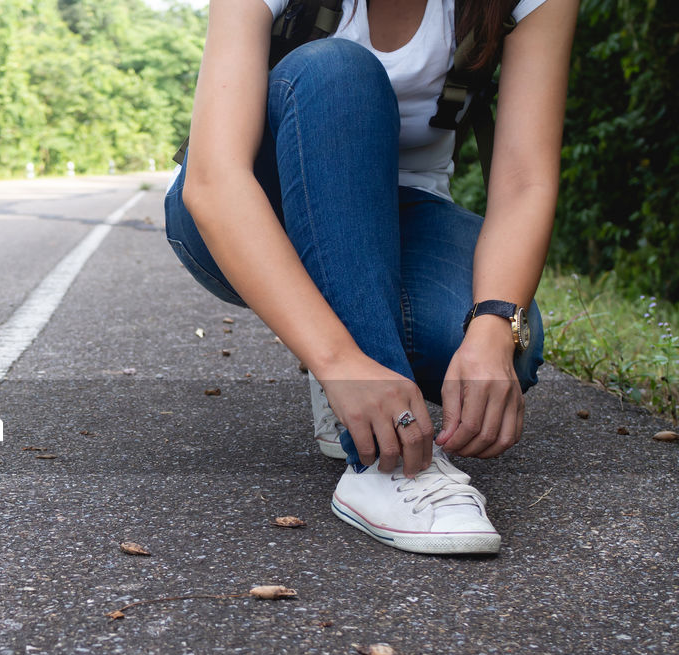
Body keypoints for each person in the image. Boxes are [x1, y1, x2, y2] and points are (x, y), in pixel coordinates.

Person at [164, 0, 578, 555]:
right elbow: (215, 184)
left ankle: (357, 337)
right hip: (251, 204)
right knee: (339, 71)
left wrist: (492, 329)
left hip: (406, 211)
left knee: (506, 350)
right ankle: (388, 466)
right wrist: (338, 362)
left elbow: (526, 180)